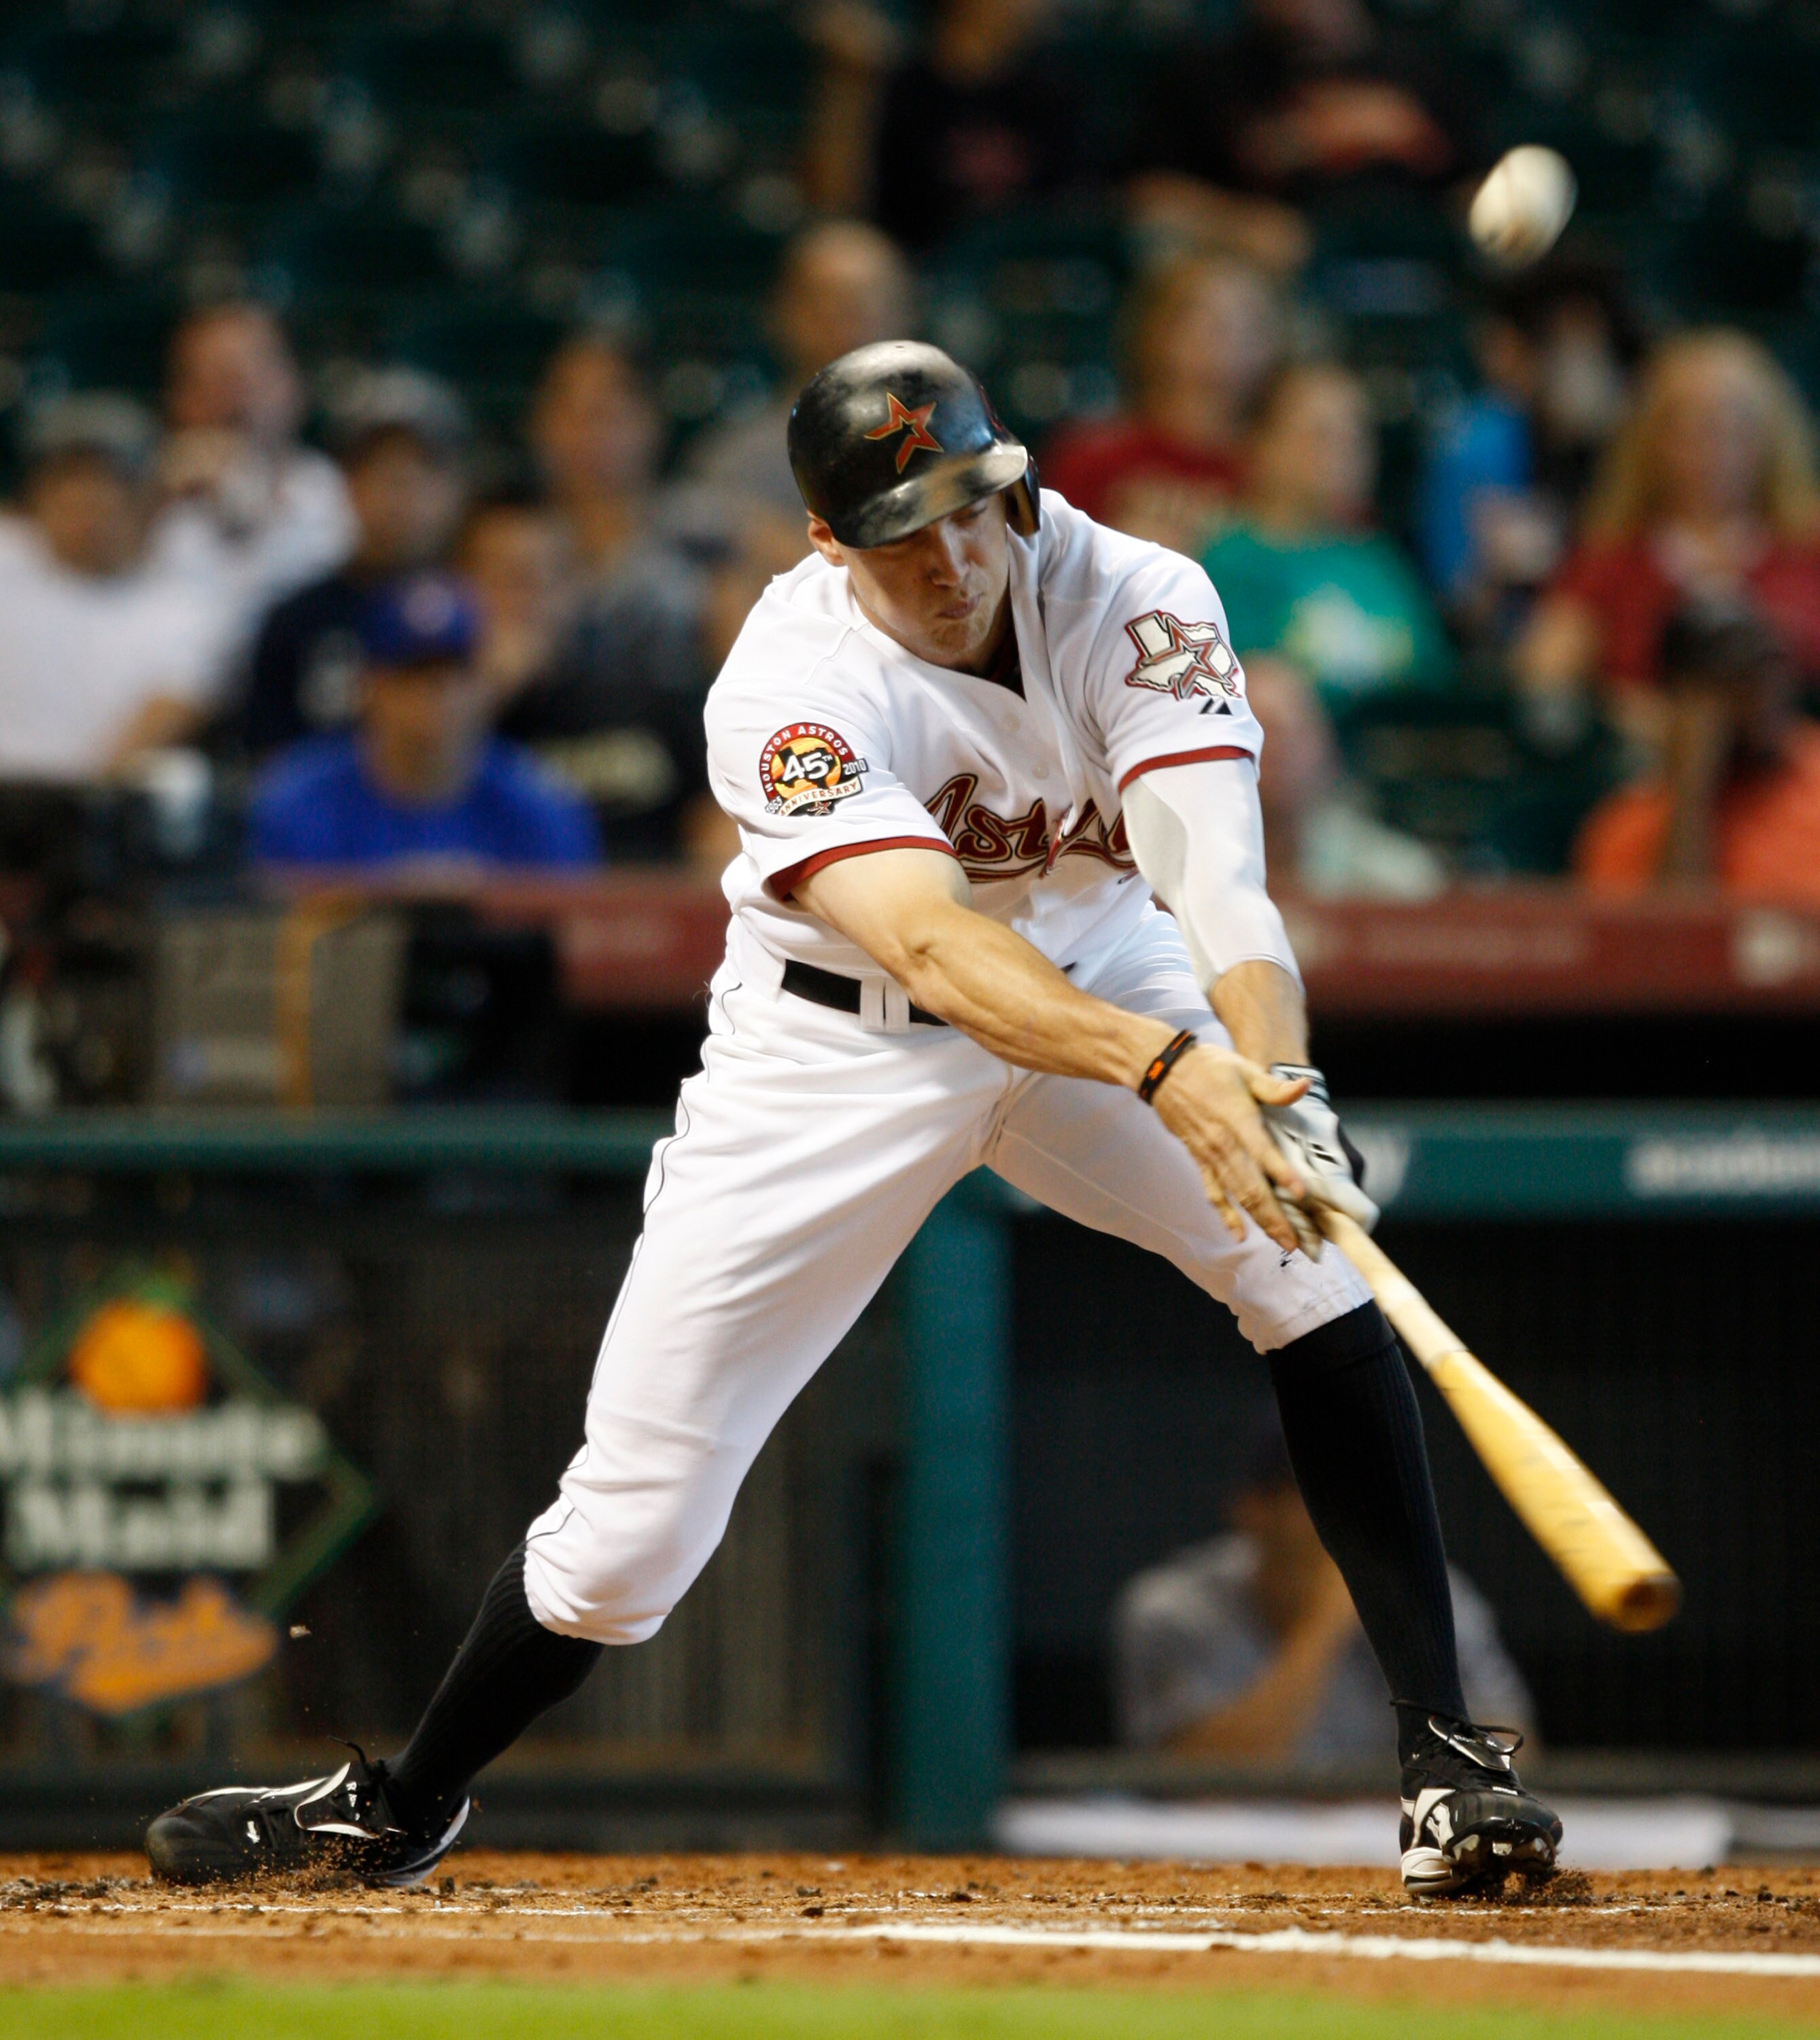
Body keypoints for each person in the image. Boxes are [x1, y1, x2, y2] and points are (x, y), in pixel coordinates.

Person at [148, 341, 1560, 1899]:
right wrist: (1168, 1075)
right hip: (837, 1056)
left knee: (1310, 1269)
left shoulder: (1137, 590)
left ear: (1009, 475)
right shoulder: (784, 685)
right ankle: (401, 1801)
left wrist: (1271, 1080)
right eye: (901, 526)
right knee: (629, 1539)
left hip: (1104, 956)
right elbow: (936, 946)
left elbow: (1219, 879)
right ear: (828, 537)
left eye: (969, 505)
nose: (951, 554)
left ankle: (1446, 1759)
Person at [1116, 1420, 1532, 1764]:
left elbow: (1513, 1756)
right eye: (1323, 1496)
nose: (1354, 1518)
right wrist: (1324, 1623)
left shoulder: (1432, 1592)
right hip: (1222, 1853)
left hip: (1383, 1842)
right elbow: (1193, 1776)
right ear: (1254, 1508)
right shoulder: (1173, 1608)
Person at [1515, 330, 1820, 755]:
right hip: (1648, 770)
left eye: (1738, 429)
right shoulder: (1612, 557)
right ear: (1654, 440)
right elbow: (1545, 675)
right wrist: (1628, 713)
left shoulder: (1808, 548)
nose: (1718, 451)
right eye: (1695, 430)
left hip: (1795, 779)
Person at [249, 575, 600, 872]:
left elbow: (570, 944)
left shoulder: (541, 807)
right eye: (413, 675)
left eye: (455, 675)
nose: (438, 696)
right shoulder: (300, 803)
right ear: (369, 686)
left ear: (484, 685)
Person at [523, 335, 718, 860]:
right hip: (538, 772)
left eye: (609, 414)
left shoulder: (705, 537)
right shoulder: (504, 539)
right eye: (573, 414)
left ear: (649, 425)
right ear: (541, 425)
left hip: (678, 782)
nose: (590, 436)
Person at [1201, 363, 1455, 728]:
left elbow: (1436, 686)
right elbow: (1228, 703)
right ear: (1263, 445)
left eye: (1357, 436)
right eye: (1321, 435)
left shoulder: (1383, 562)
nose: (1344, 453)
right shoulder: (1229, 564)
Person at [237, 369, 469, 760]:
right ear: (347, 483)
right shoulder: (297, 621)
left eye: (422, 470)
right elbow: (266, 764)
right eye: (381, 469)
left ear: (453, 487)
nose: (401, 490)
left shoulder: (480, 608)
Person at [0, 394, 235, 781]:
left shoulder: (185, 608)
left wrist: (77, 805)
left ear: (145, 496)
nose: (84, 499)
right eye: (66, 479)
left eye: (105, 480)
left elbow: (173, 709)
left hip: (93, 811)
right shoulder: (10, 556)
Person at [1417, 265, 1634, 646]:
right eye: (1561, 343)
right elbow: (1457, 605)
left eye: (1589, 347)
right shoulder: (1480, 440)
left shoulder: (1633, 437)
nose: (1576, 364)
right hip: (1511, 643)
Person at [1575, 596, 1820, 904]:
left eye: (1769, 668)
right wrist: (1692, 787)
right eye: (1732, 683)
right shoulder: (1630, 830)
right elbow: (1673, 940)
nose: (1760, 695)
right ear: (1677, 704)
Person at [682, 219, 915, 530]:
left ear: (905, 315)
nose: (850, 323)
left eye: (871, 303)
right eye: (828, 303)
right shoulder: (735, 460)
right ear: (785, 314)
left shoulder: (954, 443)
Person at [1043, 254, 1282, 554]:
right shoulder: (1094, 457)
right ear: (1156, 331)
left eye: (1248, 327)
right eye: (1205, 321)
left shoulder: (1284, 467)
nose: (1227, 342)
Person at [804, 0, 1084, 252]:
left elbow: (1072, 215)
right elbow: (838, 207)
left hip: (1022, 280)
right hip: (915, 272)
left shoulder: (1053, 92)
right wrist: (849, 85)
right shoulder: (905, 87)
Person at [152, 303, 356, 636]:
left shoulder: (341, 498)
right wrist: (152, 502)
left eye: (252, 373)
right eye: (213, 379)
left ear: (295, 387)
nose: (235, 397)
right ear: (179, 399)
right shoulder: (148, 505)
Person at [1246, 658, 1444, 900]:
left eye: (1291, 733)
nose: (1276, 752)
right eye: (1254, 733)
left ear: (1326, 747)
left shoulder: (1397, 883)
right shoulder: (1191, 876)